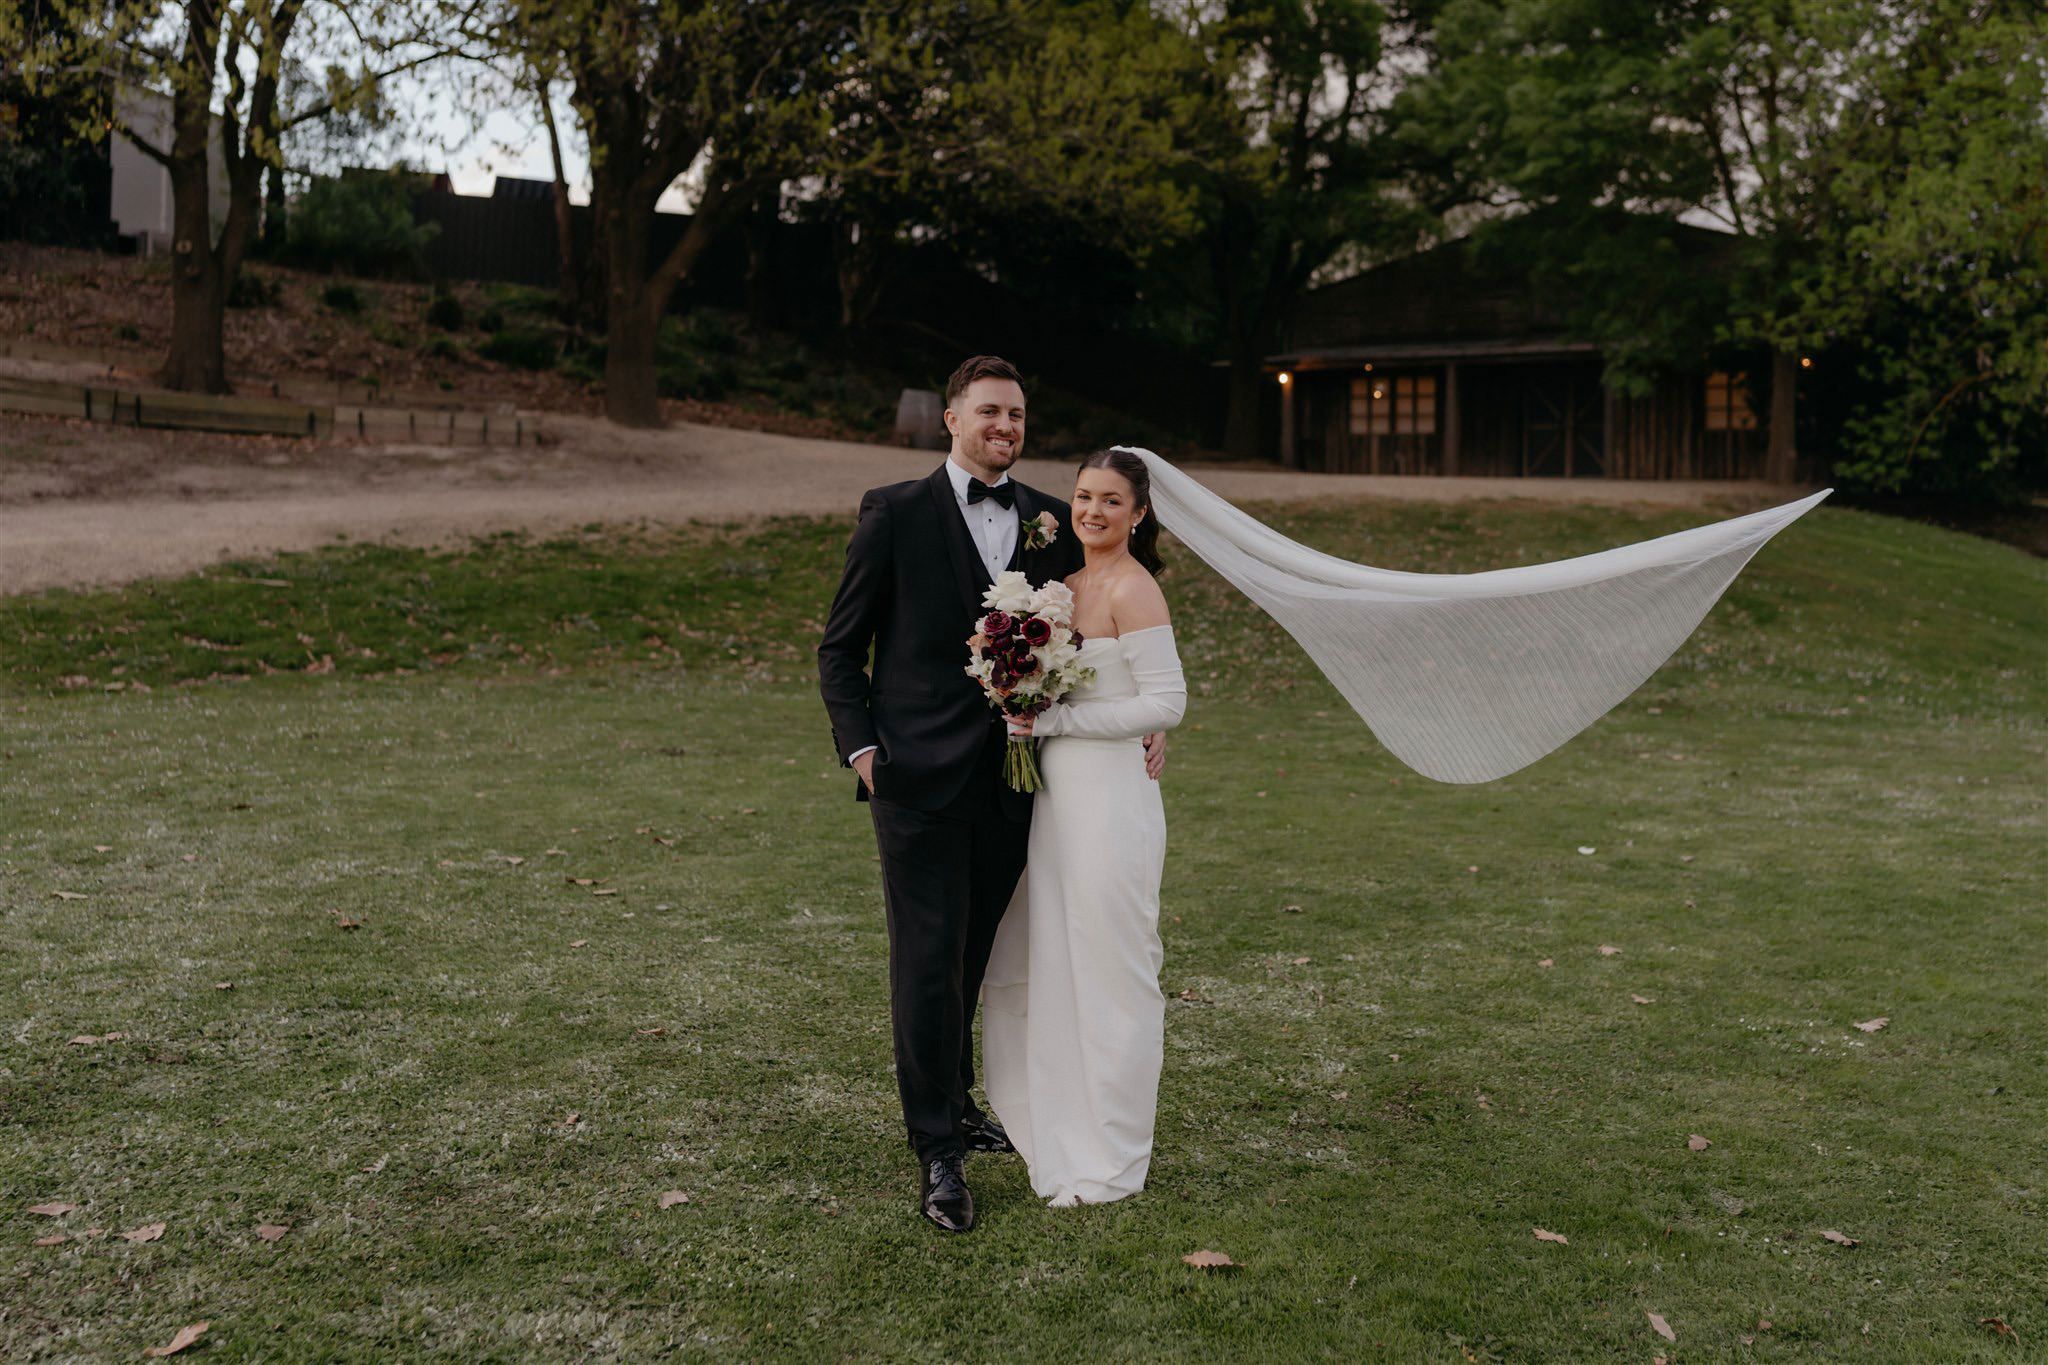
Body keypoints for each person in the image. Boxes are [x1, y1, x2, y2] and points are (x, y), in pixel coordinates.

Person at [817, 358, 1166, 1233]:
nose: (1005, 426)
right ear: (952, 419)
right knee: (927, 959)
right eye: (989, 412)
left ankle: (960, 1100)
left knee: (978, 951)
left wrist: (1143, 718)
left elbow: (1100, 631)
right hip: (915, 779)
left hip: (1021, 784)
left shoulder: (1052, 519)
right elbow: (841, 648)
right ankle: (937, 1149)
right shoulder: (893, 512)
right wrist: (864, 751)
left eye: (1016, 414)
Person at [983, 448, 1186, 1206]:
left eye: (1111, 500)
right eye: (1084, 496)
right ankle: (1063, 1119)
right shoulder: (1063, 589)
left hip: (1111, 800)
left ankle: (1114, 1150)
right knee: (1059, 957)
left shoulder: (1135, 588)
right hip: (1058, 800)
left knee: (1113, 966)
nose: (1093, 511)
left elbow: (1166, 702)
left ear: (1139, 513)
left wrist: (1058, 720)